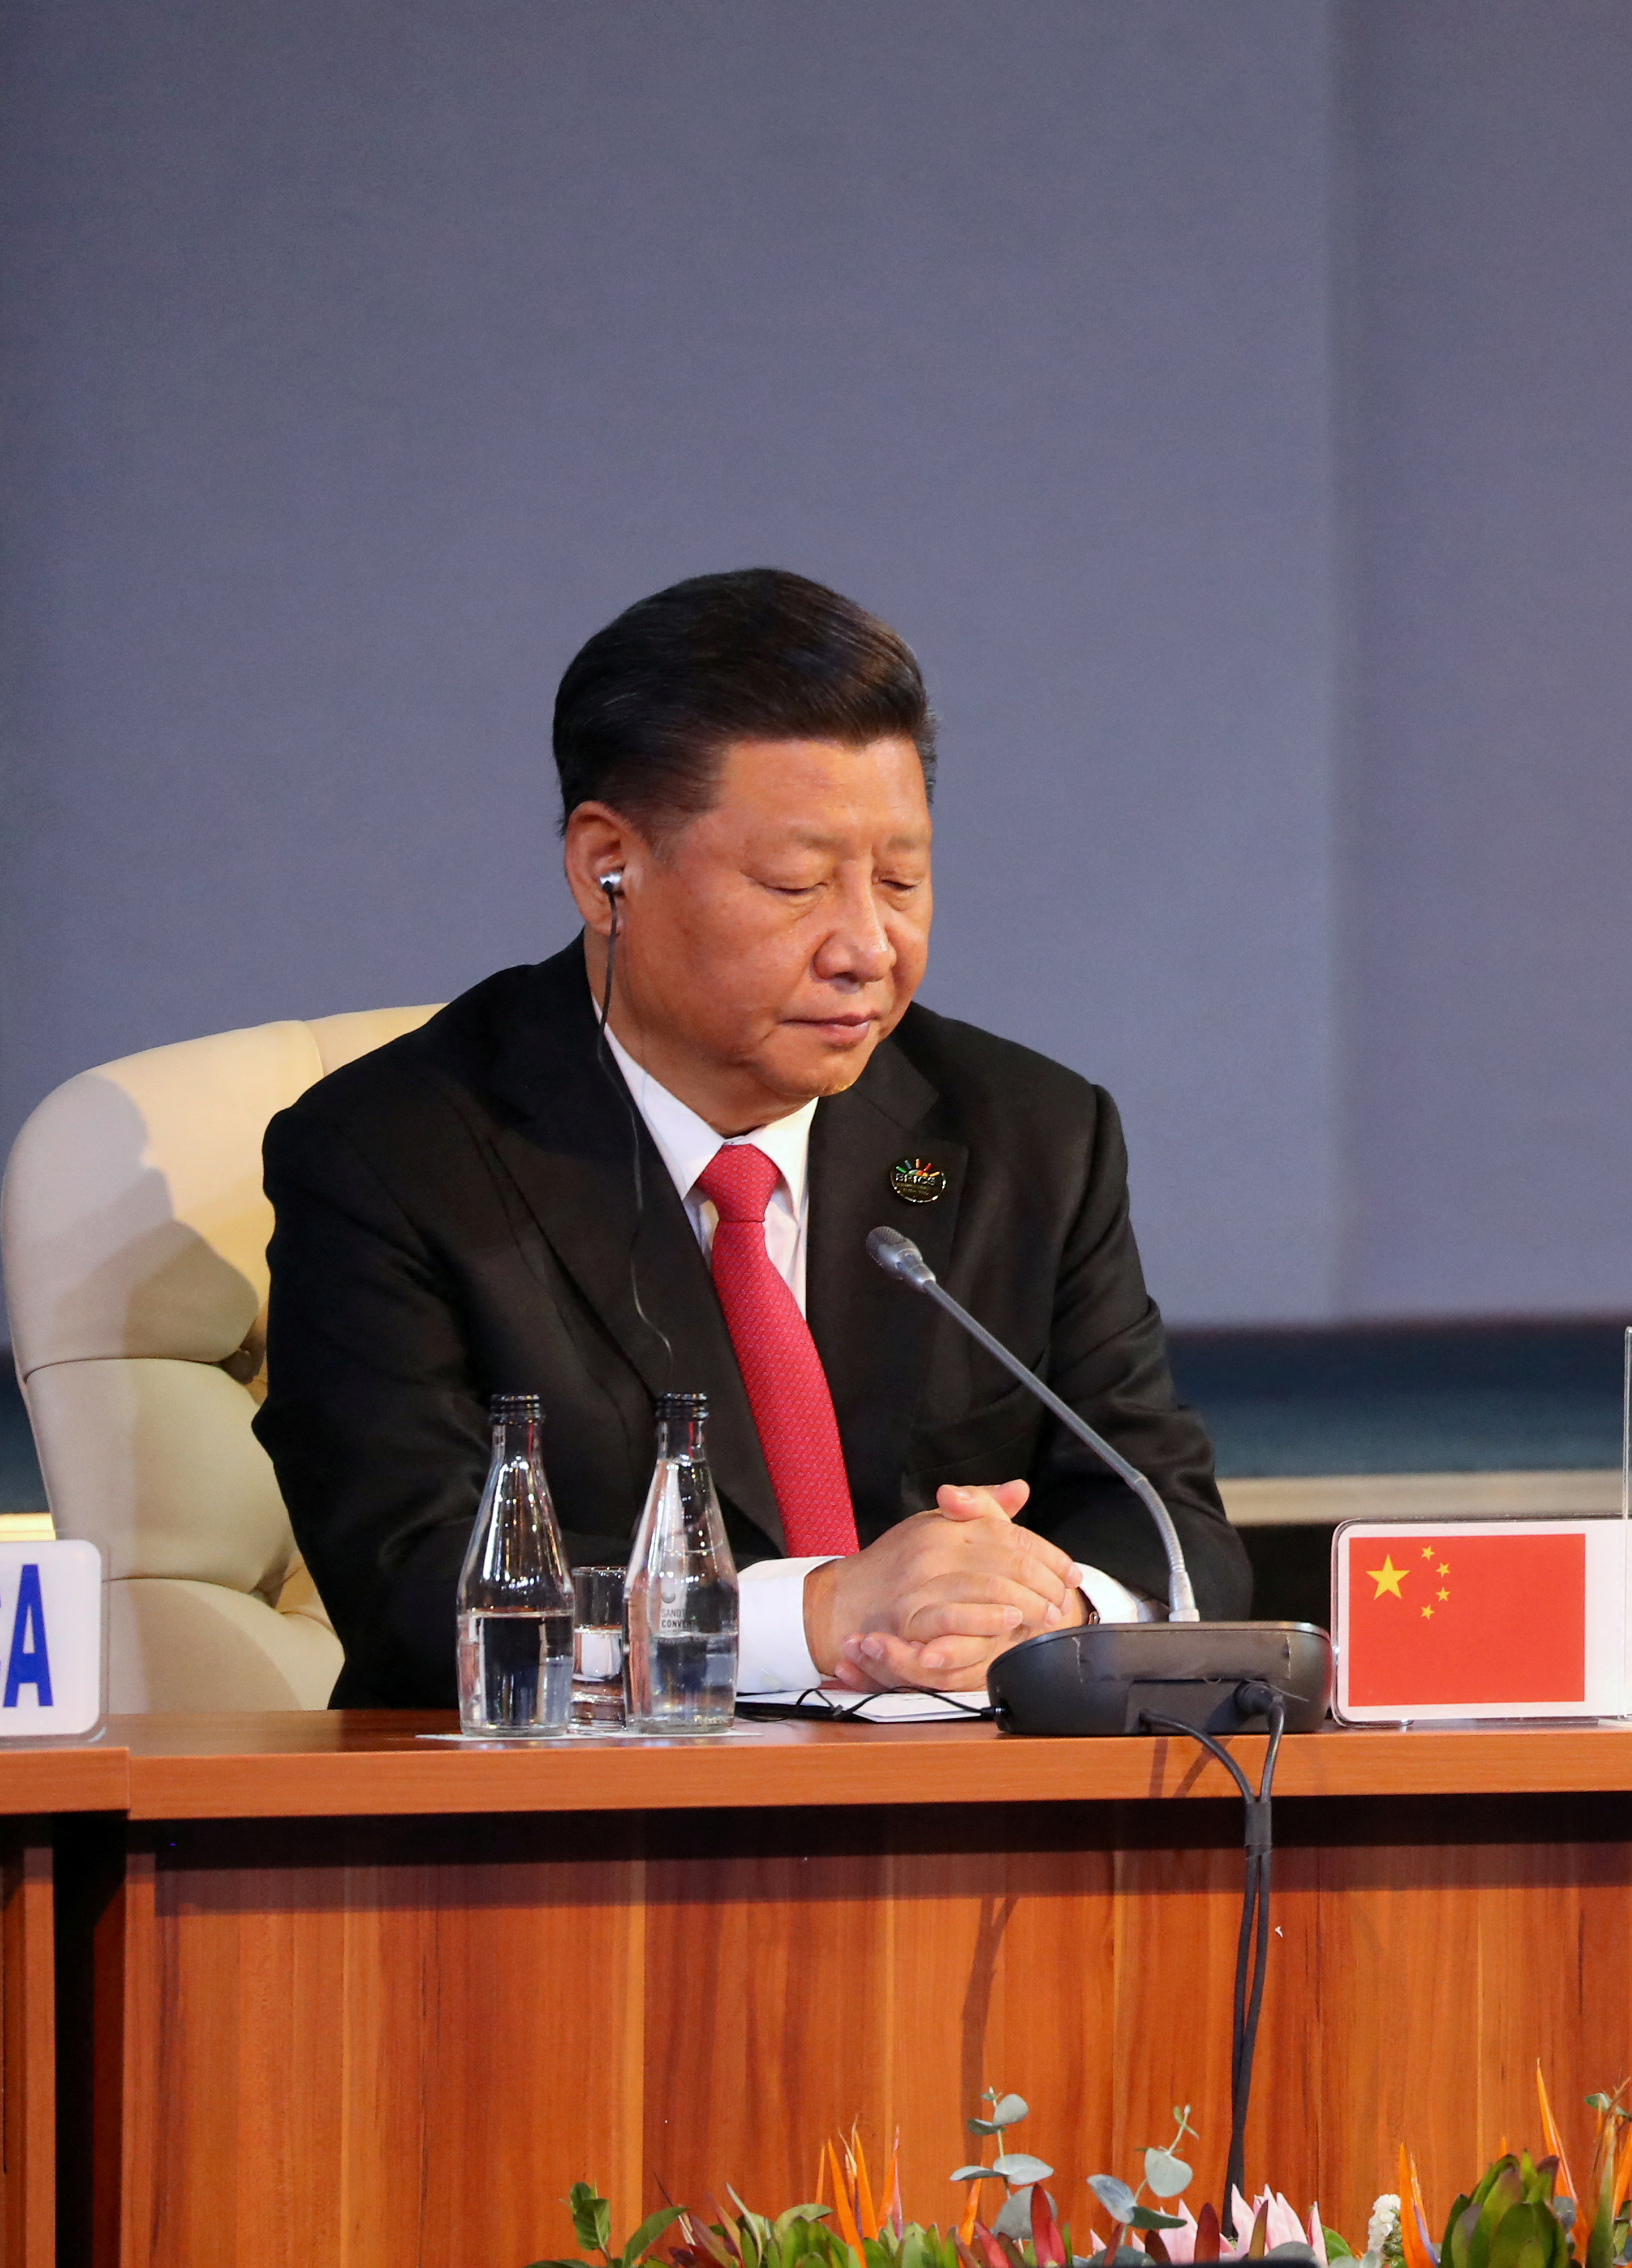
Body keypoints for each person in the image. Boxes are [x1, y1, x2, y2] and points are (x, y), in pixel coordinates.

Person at [259, 568, 1248, 1708]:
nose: (868, 948)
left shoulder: (1028, 1134)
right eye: (796, 885)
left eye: (902, 879)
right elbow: (415, 1589)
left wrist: (1046, 1617)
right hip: (592, 1807)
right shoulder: (394, 1157)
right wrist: (819, 1616)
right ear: (607, 868)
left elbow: (1171, 1529)